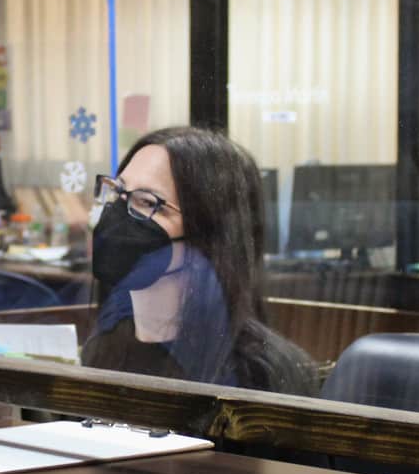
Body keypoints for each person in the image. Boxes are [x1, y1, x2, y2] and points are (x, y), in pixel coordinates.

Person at [83, 126, 317, 400]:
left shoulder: (255, 375)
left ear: (206, 231)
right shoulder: (105, 345)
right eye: (119, 192)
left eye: (146, 202)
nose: (119, 213)